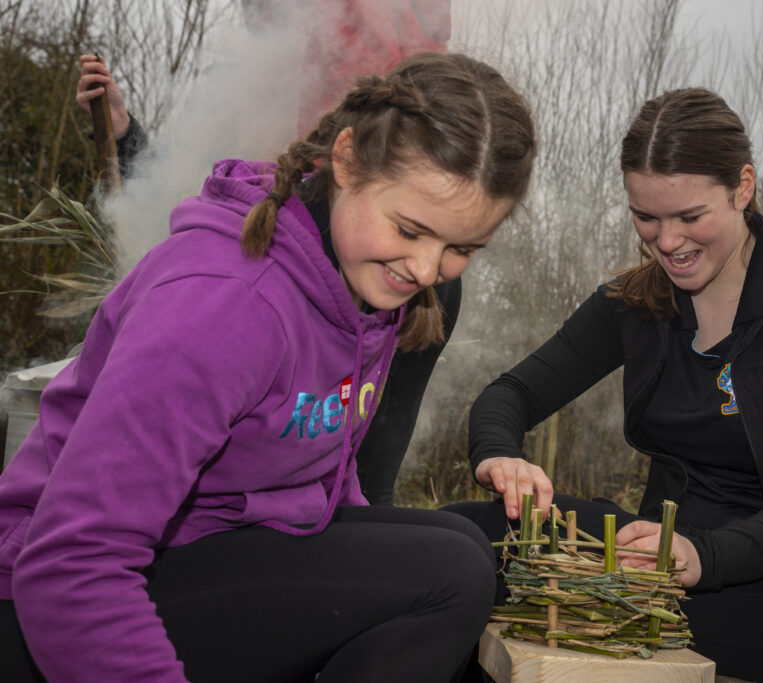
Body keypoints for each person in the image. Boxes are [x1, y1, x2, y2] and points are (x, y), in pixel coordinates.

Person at [0, 51, 536, 683]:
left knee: (479, 541)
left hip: (211, 549)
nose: (425, 270)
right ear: (346, 159)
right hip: (54, 609)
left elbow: (328, 479)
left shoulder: (363, 280)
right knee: (449, 576)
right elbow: (71, 560)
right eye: (410, 229)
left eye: (461, 248)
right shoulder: (226, 306)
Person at [451, 88, 763, 682]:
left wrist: (703, 556)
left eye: (690, 217)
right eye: (647, 217)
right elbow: (512, 394)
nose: (667, 242)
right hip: (658, 555)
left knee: (560, 613)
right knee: (463, 545)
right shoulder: (634, 303)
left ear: (742, 188)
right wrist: (502, 458)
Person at [75, 41, 456, 505]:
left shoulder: (405, 270)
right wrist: (124, 136)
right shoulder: (234, 288)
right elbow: (180, 201)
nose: (426, 267)